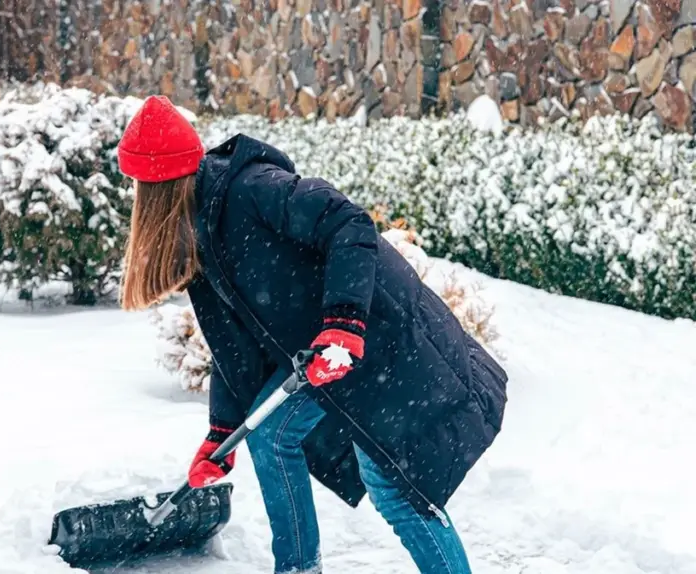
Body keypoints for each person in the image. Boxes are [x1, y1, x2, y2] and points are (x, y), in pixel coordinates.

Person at [116, 95, 509, 574]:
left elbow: (349, 224)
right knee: (271, 435)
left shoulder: (251, 189)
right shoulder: (201, 226)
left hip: (377, 330)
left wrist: (344, 323)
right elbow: (232, 347)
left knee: (397, 488)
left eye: (139, 186)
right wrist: (220, 432)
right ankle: (299, 568)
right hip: (323, 348)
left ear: (157, 185)